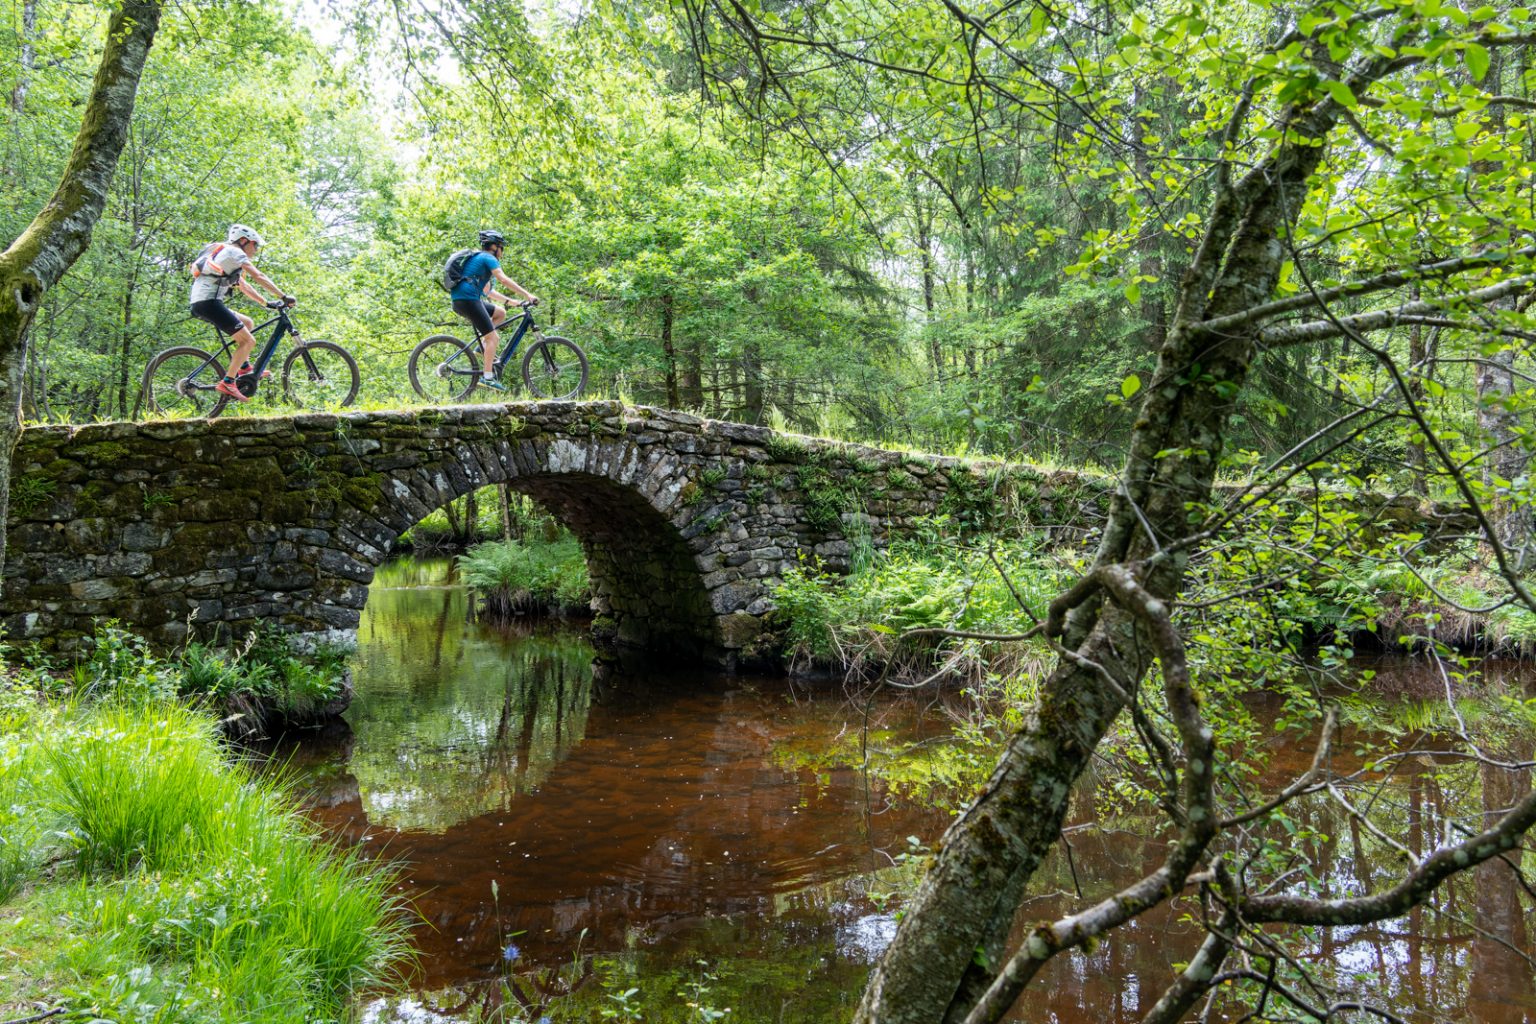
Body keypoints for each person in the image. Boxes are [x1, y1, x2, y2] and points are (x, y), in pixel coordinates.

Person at [188, 224, 295, 402]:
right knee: (248, 341)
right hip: (209, 303)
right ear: (243, 241)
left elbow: (244, 285)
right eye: (255, 245)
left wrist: (266, 302)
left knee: (248, 323)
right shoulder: (235, 252)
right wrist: (283, 296)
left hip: (205, 302)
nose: (256, 249)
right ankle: (228, 382)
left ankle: (244, 368)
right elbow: (258, 276)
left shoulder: (227, 255)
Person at [450, 229, 540, 392]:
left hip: (463, 300)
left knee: (500, 313)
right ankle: (488, 377)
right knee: (494, 338)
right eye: (501, 247)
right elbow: (503, 279)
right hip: (468, 300)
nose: (502, 251)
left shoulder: (479, 261)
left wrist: (512, 302)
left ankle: (483, 348)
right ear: (493, 247)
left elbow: (488, 292)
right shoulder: (488, 258)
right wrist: (528, 295)